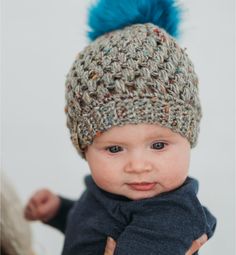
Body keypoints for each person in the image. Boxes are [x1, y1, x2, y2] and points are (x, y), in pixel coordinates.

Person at [24, 0, 217, 254]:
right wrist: (60, 210)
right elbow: (94, 224)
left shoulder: (171, 216)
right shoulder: (110, 193)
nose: (138, 166)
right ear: (84, 148)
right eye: (115, 149)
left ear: (188, 137)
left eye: (158, 145)